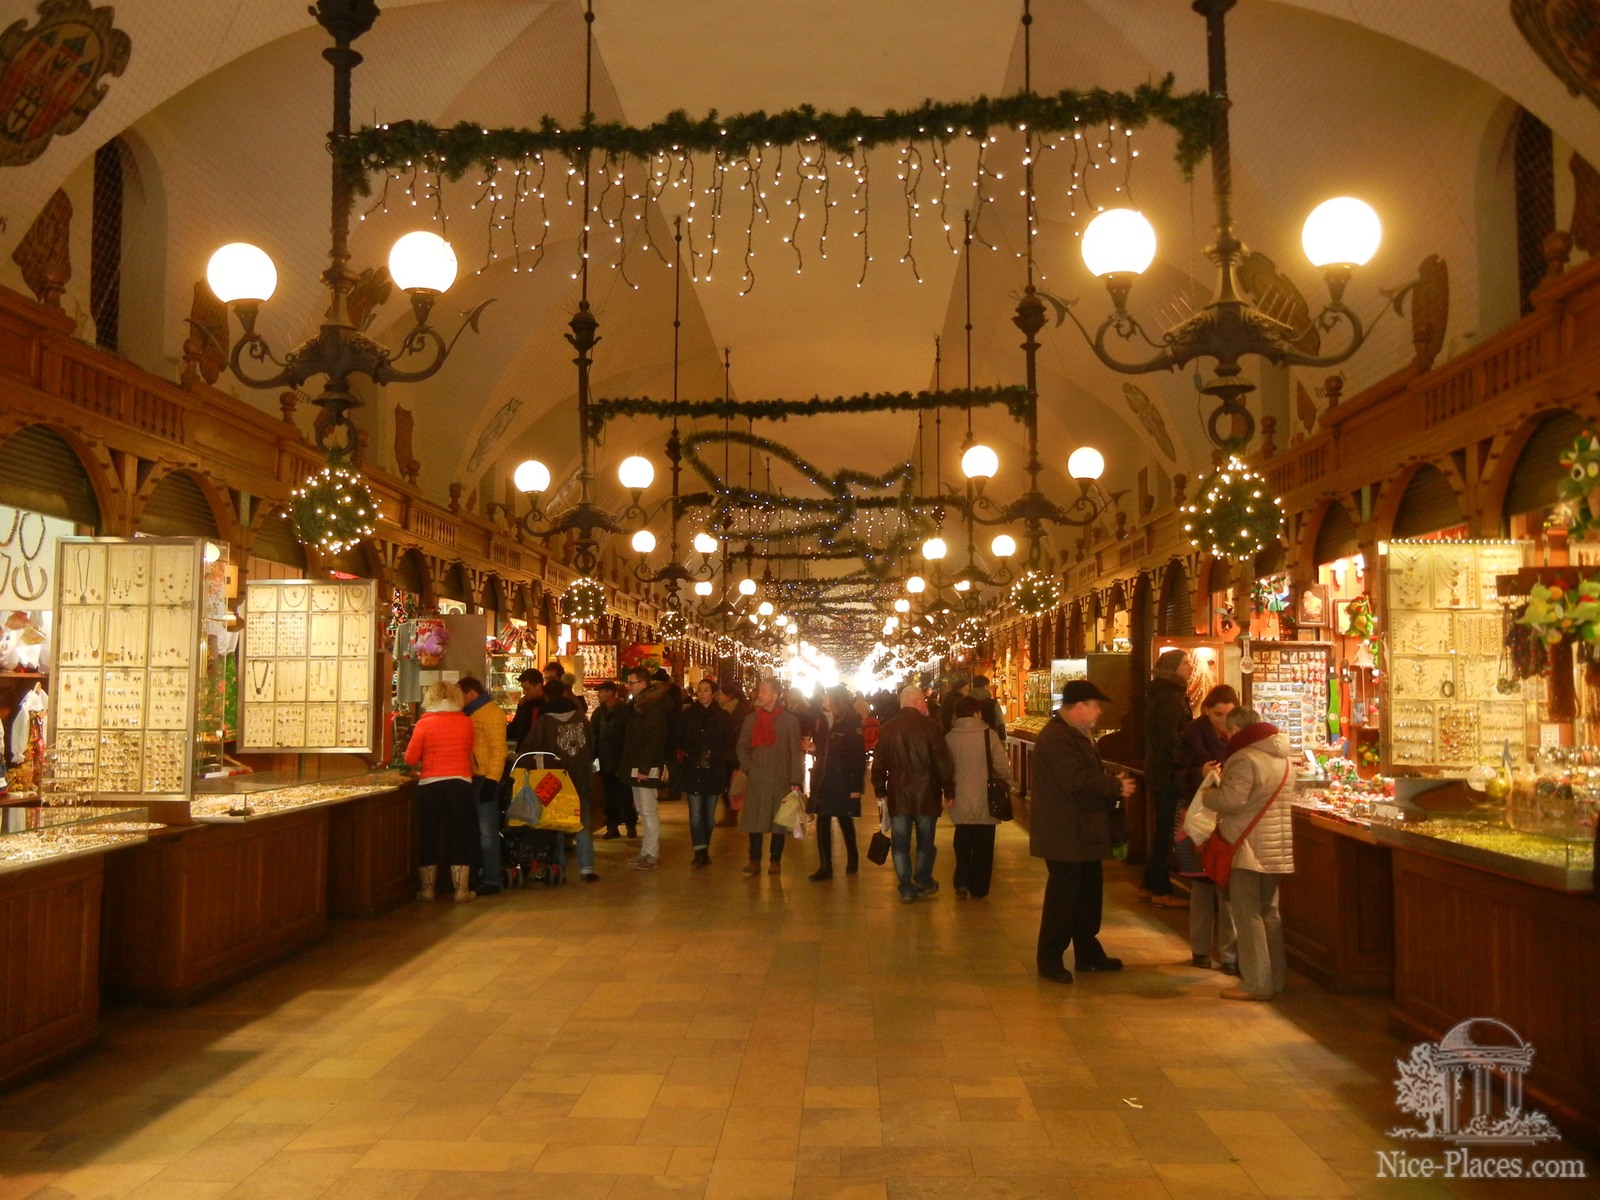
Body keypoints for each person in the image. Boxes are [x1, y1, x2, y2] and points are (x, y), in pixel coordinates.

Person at [1031, 680, 1138, 982]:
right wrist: (1115, 785)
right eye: (1095, 705)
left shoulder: (1075, 734)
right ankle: (1050, 959)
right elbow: (1076, 779)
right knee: (1064, 898)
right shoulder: (1057, 737)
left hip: (1082, 829)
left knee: (1088, 895)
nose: (1099, 712)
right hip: (1065, 831)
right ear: (1079, 707)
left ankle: (1088, 953)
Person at [1202, 707, 1294, 1001]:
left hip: (1246, 846)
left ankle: (1255, 983)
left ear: (1239, 729)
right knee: (1269, 913)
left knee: (1247, 913)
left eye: (1229, 731)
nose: (1226, 736)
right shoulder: (1283, 757)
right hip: (1275, 847)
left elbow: (1231, 800)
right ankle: (1275, 978)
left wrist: (1207, 790)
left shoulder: (1245, 757)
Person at [1176, 684, 1240, 973]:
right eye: (1217, 714)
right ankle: (1200, 950)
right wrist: (1199, 773)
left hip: (1230, 817)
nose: (1224, 720)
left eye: (1229, 714)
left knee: (1227, 885)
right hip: (1198, 817)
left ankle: (1229, 955)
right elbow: (1174, 776)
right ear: (1206, 711)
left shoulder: (1240, 736)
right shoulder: (1191, 736)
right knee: (1202, 884)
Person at [871, 683, 954, 903]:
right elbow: (942, 762)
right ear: (916, 702)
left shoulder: (888, 729)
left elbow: (878, 764)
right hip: (927, 794)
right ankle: (923, 880)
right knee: (926, 842)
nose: (926, 704)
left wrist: (880, 789)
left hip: (899, 794)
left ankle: (906, 887)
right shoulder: (931, 728)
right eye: (923, 700)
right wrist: (949, 790)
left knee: (900, 843)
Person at [404, 680, 479, 903]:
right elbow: (468, 751)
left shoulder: (424, 724)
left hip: (430, 784)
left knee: (429, 835)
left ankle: (427, 889)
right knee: (460, 835)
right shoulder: (466, 723)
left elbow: (410, 758)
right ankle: (461, 890)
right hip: (461, 783)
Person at [523, 679, 600, 882]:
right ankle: (587, 867)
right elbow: (592, 744)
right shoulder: (581, 718)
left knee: (556, 822)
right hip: (581, 776)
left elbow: (531, 749)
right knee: (582, 822)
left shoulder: (545, 721)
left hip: (555, 778)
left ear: (547, 696)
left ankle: (559, 868)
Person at [1141, 648, 1193, 908]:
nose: (1190, 666)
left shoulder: (1162, 693)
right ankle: (1160, 888)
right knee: (1166, 831)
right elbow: (1170, 738)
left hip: (1160, 772)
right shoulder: (1171, 697)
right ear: (1173, 667)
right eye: (1185, 662)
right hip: (1168, 775)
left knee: (1162, 830)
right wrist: (1187, 762)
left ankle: (1149, 884)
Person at [736, 677, 804, 875]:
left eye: (764, 691)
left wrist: (795, 780)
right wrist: (749, 768)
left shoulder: (790, 721)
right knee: (754, 820)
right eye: (759, 690)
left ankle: (775, 860)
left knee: (779, 821)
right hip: (757, 777)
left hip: (780, 778)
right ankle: (754, 859)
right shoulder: (751, 720)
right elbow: (742, 747)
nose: (760, 694)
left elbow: (795, 752)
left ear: (775, 695)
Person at [945, 694, 1009, 899]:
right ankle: (980, 887)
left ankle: (961, 880)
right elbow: (1002, 767)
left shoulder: (949, 737)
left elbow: (944, 768)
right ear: (976, 712)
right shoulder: (988, 735)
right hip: (986, 797)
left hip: (960, 796)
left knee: (962, 838)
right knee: (984, 844)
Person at [673, 677, 738, 867]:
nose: (702, 694)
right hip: (693, 768)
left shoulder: (723, 716)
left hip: (714, 769)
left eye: (706, 690)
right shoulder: (688, 715)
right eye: (699, 690)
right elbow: (678, 737)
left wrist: (715, 750)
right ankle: (699, 851)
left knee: (709, 814)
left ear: (714, 693)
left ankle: (704, 847)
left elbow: (729, 740)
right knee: (695, 813)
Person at [807, 685, 866, 881]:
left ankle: (853, 855)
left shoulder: (850, 723)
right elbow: (824, 749)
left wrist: (856, 787)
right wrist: (814, 748)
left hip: (842, 780)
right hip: (824, 778)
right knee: (822, 819)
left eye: (827, 697)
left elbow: (858, 757)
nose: (823, 700)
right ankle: (825, 865)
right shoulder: (823, 721)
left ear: (836, 701)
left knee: (844, 819)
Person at [457, 675, 508, 896]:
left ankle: (492, 878)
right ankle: (479, 875)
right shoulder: (470, 714)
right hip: (473, 777)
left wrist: (492, 779)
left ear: (471, 693)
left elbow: (499, 750)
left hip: (485, 778)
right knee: (475, 832)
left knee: (488, 833)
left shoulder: (492, 713)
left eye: (461, 695)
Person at [620, 666, 675, 869]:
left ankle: (652, 853)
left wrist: (644, 766)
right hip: (637, 763)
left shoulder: (651, 707)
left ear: (643, 683)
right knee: (642, 810)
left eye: (632, 683)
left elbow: (653, 739)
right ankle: (645, 851)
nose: (629, 687)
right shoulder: (639, 705)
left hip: (646, 765)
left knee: (649, 810)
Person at [591, 680, 636, 839]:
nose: (598, 694)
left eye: (601, 691)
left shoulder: (625, 712)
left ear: (610, 692)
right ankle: (612, 826)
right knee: (609, 796)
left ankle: (630, 823)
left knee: (625, 794)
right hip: (605, 759)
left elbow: (630, 736)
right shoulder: (598, 713)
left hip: (622, 760)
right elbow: (594, 735)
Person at [506, 669, 544, 748]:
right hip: (525, 752)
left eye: (527, 689)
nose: (524, 692)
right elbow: (515, 728)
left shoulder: (548, 706)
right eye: (523, 688)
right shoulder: (524, 705)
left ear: (538, 686)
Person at [969, 674, 1007, 739]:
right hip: (989, 740)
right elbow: (1000, 724)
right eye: (989, 686)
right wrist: (1003, 743)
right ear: (985, 686)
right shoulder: (992, 703)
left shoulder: (964, 703)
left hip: (970, 740)